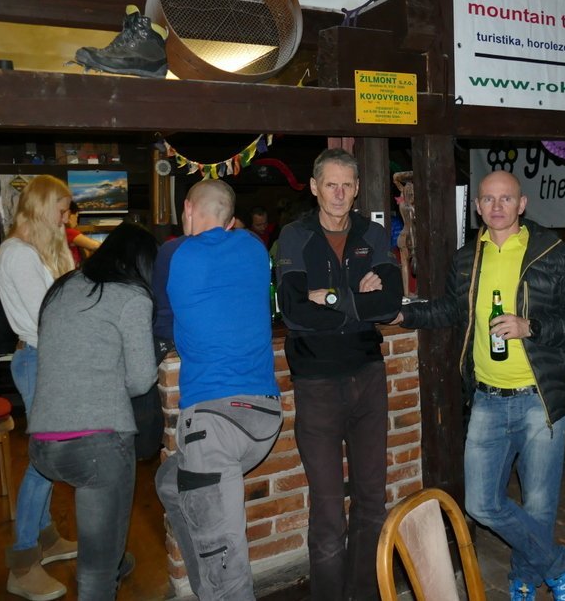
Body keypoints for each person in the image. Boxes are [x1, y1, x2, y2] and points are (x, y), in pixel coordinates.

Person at [398, 170, 565, 601]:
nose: (496, 206)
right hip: (488, 400)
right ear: (477, 206)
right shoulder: (466, 258)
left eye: (505, 198)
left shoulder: (555, 253)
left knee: (539, 507)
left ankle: (524, 579)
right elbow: (452, 310)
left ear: (522, 204)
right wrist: (404, 315)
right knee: (481, 503)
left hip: (540, 400)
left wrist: (532, 326)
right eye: (488, 199)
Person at [274, 148, 402, 601]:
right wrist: (355, 298)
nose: (340, 194)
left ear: (357, 189)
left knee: (372, 501)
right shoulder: (295, 236)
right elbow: (294, 310)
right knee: (329, 511)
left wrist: (328, 297)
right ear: (314, 187)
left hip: (368, 375)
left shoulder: (373, 233)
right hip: (317, 382)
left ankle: (365, 593)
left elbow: (389, 302)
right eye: (331, 184)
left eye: (347, 185)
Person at [154, 180, 281, 600]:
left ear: (188, 209)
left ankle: (217, 589)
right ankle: (207, 587)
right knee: (169, 483)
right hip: (263, 418)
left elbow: (162, 322)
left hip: (213, 427)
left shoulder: (175, 253)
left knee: (228, 566)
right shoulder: (255, 249)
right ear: (231, 218)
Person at [29, 223, 157, 600]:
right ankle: (105, 567)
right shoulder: (132, 297)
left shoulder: (63, 287)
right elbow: (141, 380)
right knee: (95, 574)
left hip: (42, 443)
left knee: (104, 533)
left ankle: (113, 558)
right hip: (94, 448)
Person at [0, 175, 78, 601]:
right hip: (39, 359)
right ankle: (23, 563)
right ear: (45, 207)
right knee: (44, 461)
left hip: (44, 357)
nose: (67, 218)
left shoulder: (32, 250)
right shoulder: (17, 254)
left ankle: (45, 538)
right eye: (62, 211)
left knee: (45, 457)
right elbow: (51, 318)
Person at [64, 201, 101, 267]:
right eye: (76, 216)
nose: (77, 220)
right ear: (69, 214)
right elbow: (96, 246)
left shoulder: (62, 231)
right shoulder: (69, 232)